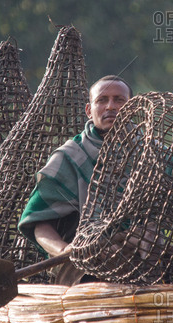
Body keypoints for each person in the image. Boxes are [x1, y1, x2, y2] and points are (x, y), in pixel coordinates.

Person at [18, 75, 133, 285]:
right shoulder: (68, 157)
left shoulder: (151, 154)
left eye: (119, 100)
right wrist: (64, 249)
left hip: (142, 257)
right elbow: (39, 224)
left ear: (132, 108)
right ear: (89, 110)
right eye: (102, 100)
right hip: (85, 264)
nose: (111, 106)